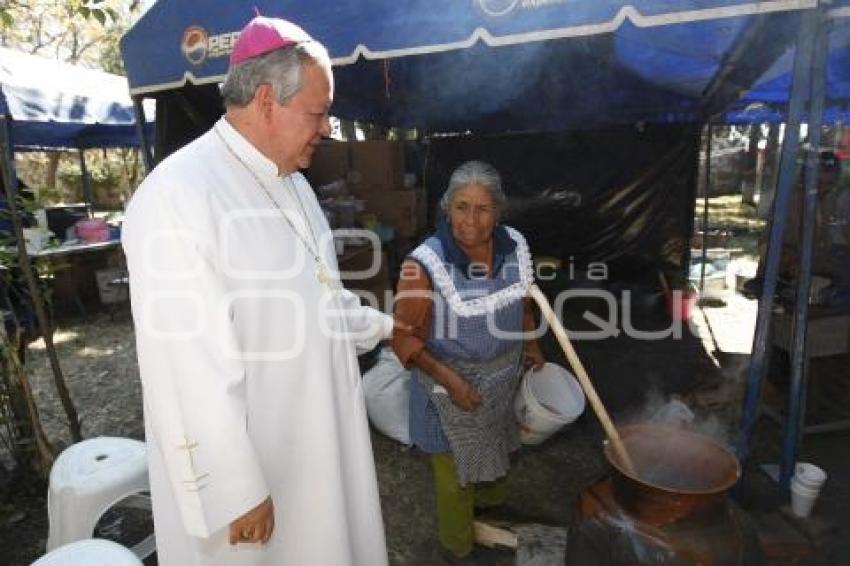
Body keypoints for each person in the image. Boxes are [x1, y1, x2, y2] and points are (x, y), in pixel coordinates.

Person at [122, 16, 393, 565]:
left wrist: (390, 327)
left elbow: (319, 300)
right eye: (318, 114)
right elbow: (184, 361)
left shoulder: (293, 182)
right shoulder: (178, 195)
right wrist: (235, 489)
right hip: (256, 470)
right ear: (268, 100)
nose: (325, 130)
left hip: (317, 442)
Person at [392, 160, 545, 560]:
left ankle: (489, 508)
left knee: (497, 442)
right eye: (461, 207)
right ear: (447, 208)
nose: (471, 220)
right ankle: (458, 546)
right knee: (455, 471)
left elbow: (524, 301)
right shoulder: (423, 265)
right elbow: (403, 337)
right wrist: (452, 380)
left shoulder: (515, 247)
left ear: (498, 211)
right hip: (447, 387)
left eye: (482, 208)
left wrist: (530, 344)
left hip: (499, 379)